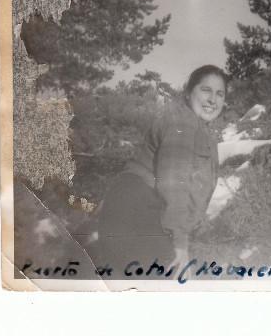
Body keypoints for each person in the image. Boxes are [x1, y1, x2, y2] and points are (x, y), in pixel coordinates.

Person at [96, 65, 226, 275]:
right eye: (206, 90)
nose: (213, 99)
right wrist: (179, 242)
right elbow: (174, 183)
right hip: (139, 214)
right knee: (169, 283)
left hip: (133, 214)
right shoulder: (183, 122)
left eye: (220, 94)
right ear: (188, 92)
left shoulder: (195, 127)